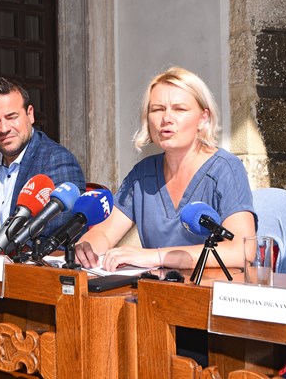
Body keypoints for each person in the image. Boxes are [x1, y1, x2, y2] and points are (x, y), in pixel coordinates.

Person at [75, 67, 256, 272]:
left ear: (203, 118)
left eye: (179, 109)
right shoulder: (143, 174)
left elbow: (243, 250)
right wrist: (88, 248)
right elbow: (106, 233)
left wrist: (156, 257)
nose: (166, 118)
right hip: (157, 292)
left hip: (209, 292)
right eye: (157, 109)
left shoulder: (226, 169)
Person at [0, 77, 85, 245]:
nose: (4, 129)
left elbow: (56, 235)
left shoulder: (57, 161)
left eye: (11, 117)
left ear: (30, 114)